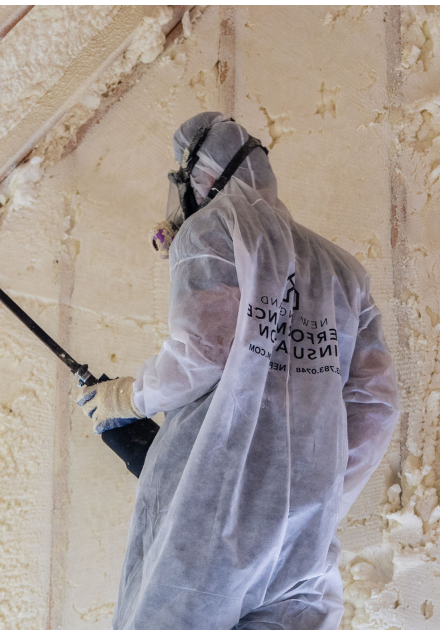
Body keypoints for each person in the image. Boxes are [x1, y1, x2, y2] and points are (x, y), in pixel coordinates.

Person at [77, 112, 400, 629]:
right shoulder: (342, 269)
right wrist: (316, 505)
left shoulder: (214, 227)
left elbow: (203, 352)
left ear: (201, 174)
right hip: (302, 544)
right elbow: (377, 406)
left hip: (208, 527)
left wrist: (128, 398)